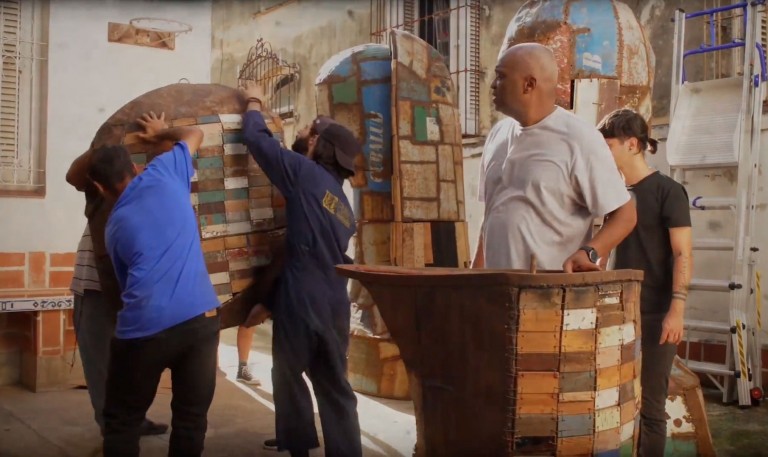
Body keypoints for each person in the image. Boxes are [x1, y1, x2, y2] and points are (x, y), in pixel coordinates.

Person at [85, 112, 220, 457]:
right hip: (201, 319)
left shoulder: (114, 227)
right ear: (135, 167)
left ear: (99, 188)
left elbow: (125, 284)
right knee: (191, 419)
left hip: (145, 330)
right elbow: (194, 133)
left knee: (122, 421)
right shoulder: (165, 171)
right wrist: (161, 133)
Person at [239, 80, 362, 457]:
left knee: (288, 373)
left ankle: (297, 446)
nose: (305, 135)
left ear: (318, 146)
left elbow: (257, 140)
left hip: (302, 297)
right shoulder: (344, 205)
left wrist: (254, 100)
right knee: (334, 384)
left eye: (310, 133)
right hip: (334, 302)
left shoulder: (303, 174)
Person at [472, 42, 637, 272]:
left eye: (501, 77)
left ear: (528, 85)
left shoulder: (579, 138)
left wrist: (589, 252)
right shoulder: (497, 135)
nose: (492, 85)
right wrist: (475, 275)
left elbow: (625, 214)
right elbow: (492, 214)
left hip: (549, 288)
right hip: (495, 287)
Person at [597, 108, 692, 456]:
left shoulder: (669, 191)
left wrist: (676, 310)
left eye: (608, 145)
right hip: (616, 313)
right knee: (610, 404)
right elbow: (606, 252)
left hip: (656, 315)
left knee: (651, 407)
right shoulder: (614, 195)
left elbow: (682, 254)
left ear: (633, 144)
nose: (602, 153)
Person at [69, 223, 168, 437]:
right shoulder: (107, 203)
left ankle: (133, 421)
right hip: (96, 288)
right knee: (101, 366)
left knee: (136, 363)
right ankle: (113, 430)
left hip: (129, 290)